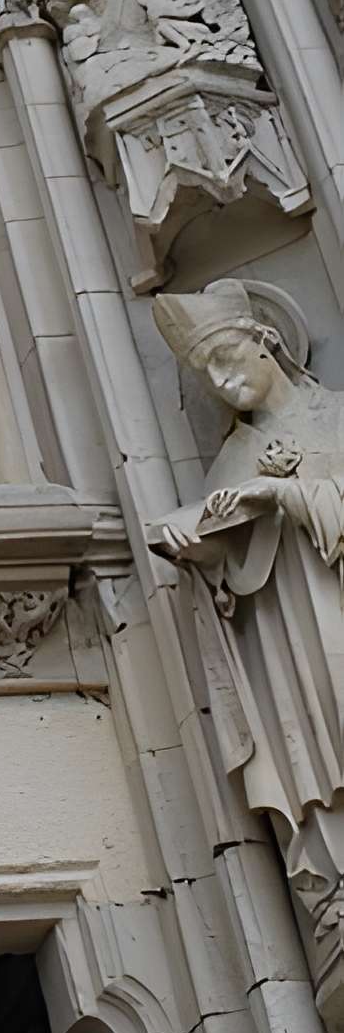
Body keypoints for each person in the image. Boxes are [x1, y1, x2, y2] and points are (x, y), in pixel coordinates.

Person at [149, 280, 344, 920]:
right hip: (286, 632)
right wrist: (191, 542)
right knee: (308, 742)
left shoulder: (336, 417)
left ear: (266, 342)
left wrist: (281, 495)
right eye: (208, 376)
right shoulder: (235, 456)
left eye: (229, 360)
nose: (223, 384)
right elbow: (230, 563)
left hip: (332, 600)